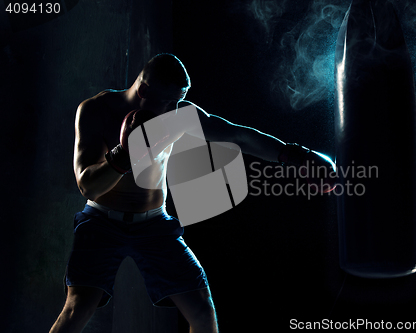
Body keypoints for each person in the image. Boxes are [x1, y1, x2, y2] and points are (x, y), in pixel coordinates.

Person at [49, 53, 335, 333]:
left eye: (181, 100)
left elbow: (237, 135)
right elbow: (87, 185)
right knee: (78, 307)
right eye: (169, 100)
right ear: (144, 89)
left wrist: (297, 155)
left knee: (201, 310)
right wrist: (124, 154)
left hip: (154, 224)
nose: (176, 109)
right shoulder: (97, 110)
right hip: (102, 221)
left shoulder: (178, 114)